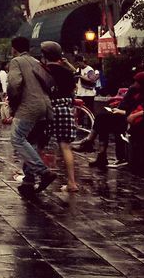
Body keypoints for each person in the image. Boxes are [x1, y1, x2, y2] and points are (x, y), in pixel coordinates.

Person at [6, 36, 58, 196]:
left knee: (17, 138)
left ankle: (43, 172)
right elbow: (50, 84)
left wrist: (13, 104)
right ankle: (28, 180)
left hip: (28, 107)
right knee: (32, 141)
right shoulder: (37, 62)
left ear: (14, 49)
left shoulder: (16, 62)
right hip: (45, 106)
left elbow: (14, 84)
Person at [40, 41, 81, 193]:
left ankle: (30, 176)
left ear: (44, 56)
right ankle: (72, 182)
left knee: (39, 145)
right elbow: (73, 91)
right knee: (65, 146)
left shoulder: (42, 71)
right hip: (64, 109)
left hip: (47, 110)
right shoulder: (67, 72)